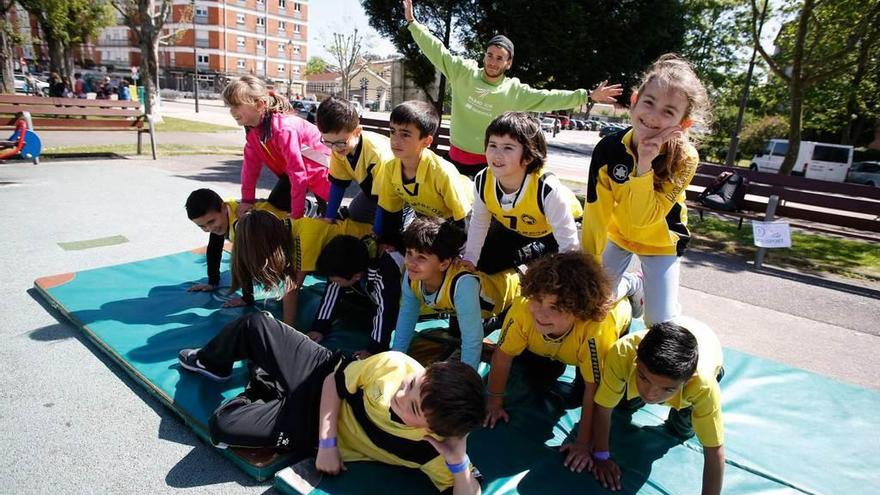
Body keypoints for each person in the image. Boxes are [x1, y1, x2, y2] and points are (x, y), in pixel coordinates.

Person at [177, 312, 485, 493]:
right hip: (322, 375)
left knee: (223, 425)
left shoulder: (432, 449)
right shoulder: (396, 365)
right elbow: (333, 382)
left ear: (432, 428)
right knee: (255, 324)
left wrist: (458, 463)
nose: (401, 395)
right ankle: (211, 362)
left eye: (414, 406)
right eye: (414, 384)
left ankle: (266, 382)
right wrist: (328, 443)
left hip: (307, 426)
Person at [402, 0, 622, 178]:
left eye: (500, 58)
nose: (493, 62)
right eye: (489, 55)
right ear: (484, 55)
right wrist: (412, 22)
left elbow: (548, 98)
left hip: (488, 166)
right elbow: (436, 49)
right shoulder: (463, 72)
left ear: (508, 63)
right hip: (455, 158)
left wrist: (587, 95)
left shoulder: (514, 91)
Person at [582, 53, 710, 325]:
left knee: (659, 323)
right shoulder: (608, 148)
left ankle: (642, 292)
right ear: (634, 100)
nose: (653, 117)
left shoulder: (686, 158)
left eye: (668, 112)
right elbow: (595, 211)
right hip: (618, 236)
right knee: (590, 303)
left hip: (660, 243)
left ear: (683, 124)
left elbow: (644, 219)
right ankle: (631, 285)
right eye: (649, 103)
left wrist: (644, 165)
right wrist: (589, 263)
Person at [484, 252, 634, 473]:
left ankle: (633, 285)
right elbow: (503, 356)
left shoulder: (596, 329)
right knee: (536, 374)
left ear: (579, 310)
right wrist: (494, 402)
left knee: (620, 398)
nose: (541, 313)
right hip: (558, 345)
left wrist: (583, 443)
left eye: (555, 308)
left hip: (603, 335)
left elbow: (594, 388)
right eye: (538, 300)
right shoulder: (523, 310)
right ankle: (555, 359)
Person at [590, 317, 725, 495]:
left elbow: (714, 449)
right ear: (637, 359)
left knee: (681, 430)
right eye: (644, 378)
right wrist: (601, 455)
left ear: (688, 380)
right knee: (622, 405)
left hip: (705, 348)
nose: (651, 393)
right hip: (665, 345)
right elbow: (603, 406)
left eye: (666, 388)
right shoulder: (622, 352)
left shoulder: (703, 385)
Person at [391, 217, 520, 371]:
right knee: (456, 334)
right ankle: (489, 322)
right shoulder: (412, 275)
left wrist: (464, 382)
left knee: (516, 356)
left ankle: (495, 322)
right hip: (475, 307)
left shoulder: (463, 284)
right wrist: (394, 362)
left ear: (444, 264)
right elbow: (407, 316)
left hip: (516, 296)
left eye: (421, 257)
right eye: (409, 253)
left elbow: (472, 341)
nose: (411, 262)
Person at [464, 112, 582, 274]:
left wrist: (565, 275)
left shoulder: (546, 188)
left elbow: (569, 245)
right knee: (484, 265)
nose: (497, 154)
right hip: (515, 228)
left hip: (552, 233)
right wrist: (470, 258)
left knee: (547, 275)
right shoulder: (483, 179)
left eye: (508, 147)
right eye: (492, 145)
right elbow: (479, 222)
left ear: (528, 157)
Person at [229, 210, 373, 327]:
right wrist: (246, 297)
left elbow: (292, 289)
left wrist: (286, 332)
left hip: (369, 246)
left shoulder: (304, 238)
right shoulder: (281, 229)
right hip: (345, 260)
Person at [222, 75, 331, 220]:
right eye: (230, 107)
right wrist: (247, 200)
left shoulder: (283, 130)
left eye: (236, 105)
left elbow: (298, 174)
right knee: (276, 203)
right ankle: (306, 207)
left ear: (259, 105)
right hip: (297, 171)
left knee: (330, 216)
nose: (232, 111)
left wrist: (296, 215)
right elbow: (250, 169)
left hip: (320, 167)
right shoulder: (254, 132)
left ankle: (312, 210)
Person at [372, 100, 473, 243]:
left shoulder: (441, 171)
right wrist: (390, 242)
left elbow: (463, 220)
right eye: (392, 131)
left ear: (426, 141)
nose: (395, 140)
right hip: (430, 218)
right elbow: (390, 211)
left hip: (467, 215)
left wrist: (455, 253)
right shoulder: (390, 168)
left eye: (405, 134)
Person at [184, 188, 287, 307]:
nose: (209, 229)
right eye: (202, 226)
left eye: (211, 222)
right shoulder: (225, 214)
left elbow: (244, 261)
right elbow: (214, 249)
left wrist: (247, 298)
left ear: (223, 207)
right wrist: (212, 282)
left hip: (292, 233)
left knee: (244, 257)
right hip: (274, 234)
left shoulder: (241, 222)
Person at [310, 235, 404, 359]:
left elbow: (384, 310)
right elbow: (332, 291)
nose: (334, 283)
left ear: (357, 275)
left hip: (407, 304)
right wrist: (319, 328)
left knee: (386, 315)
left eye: (337, 281)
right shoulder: (353, 256)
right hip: (374, 291)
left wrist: (374, 350)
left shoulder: (385, 271)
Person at [315, 97, 393, 224]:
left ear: (357, 132)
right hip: (374, 192)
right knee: (355, 212)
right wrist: (329, 217)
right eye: (328, 142)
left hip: (398, 195)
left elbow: (386, 200)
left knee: (390, 230)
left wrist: (378, 233)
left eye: (340, 143)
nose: (334, 148)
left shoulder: (377, 154)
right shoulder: (339, 149)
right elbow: (338, 185)